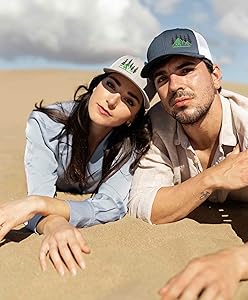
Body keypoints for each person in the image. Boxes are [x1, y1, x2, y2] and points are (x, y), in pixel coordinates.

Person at [128, 28, 248, 300]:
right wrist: (212, 178)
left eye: (186, 70)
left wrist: (233, 263)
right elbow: (144, 205)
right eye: (162, 78)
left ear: (216, 76)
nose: (174, 87)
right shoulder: (155, 126)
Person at [0, 55, 152, 276]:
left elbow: (111, 205)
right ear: (96, 85)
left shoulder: (132, 144)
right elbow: (41, 193)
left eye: (129, 101)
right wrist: (55, 225)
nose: (112, 101)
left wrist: (38, 204)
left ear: (133, 118)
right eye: (110, 85)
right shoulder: (46, 124)